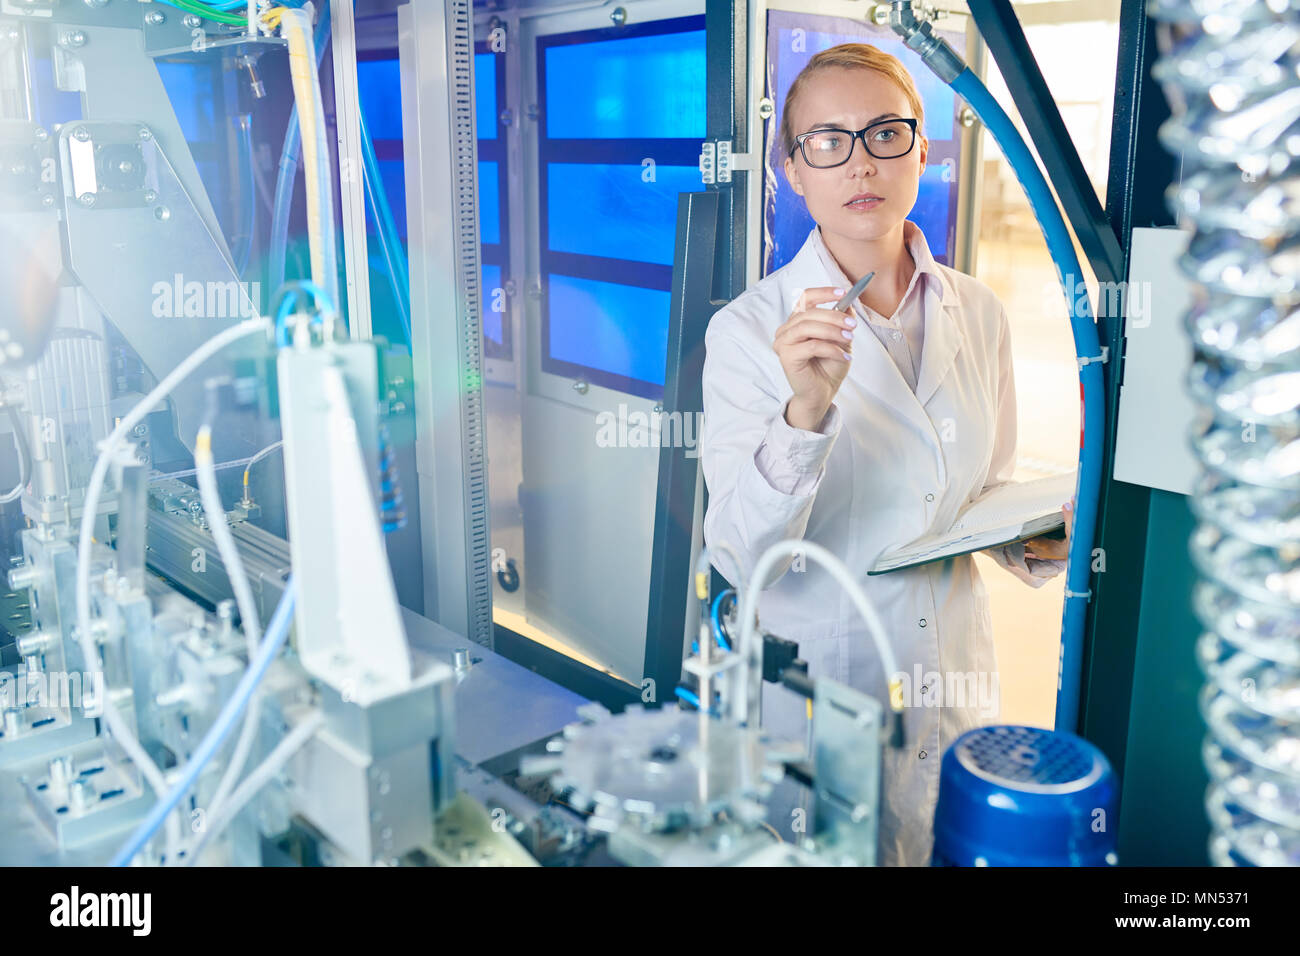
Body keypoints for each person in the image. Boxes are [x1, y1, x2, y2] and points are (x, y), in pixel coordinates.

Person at [699, 43, 1074, 866]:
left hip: (955, 674)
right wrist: (804, 411)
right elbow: (737, 552)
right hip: (827, 686)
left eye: (884, 133)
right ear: (794, 170)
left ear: (923, 148)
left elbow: (981, 491)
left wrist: (1034, 537)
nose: (859, 162)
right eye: (827, 142)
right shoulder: (747, 332)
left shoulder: (977, 311)